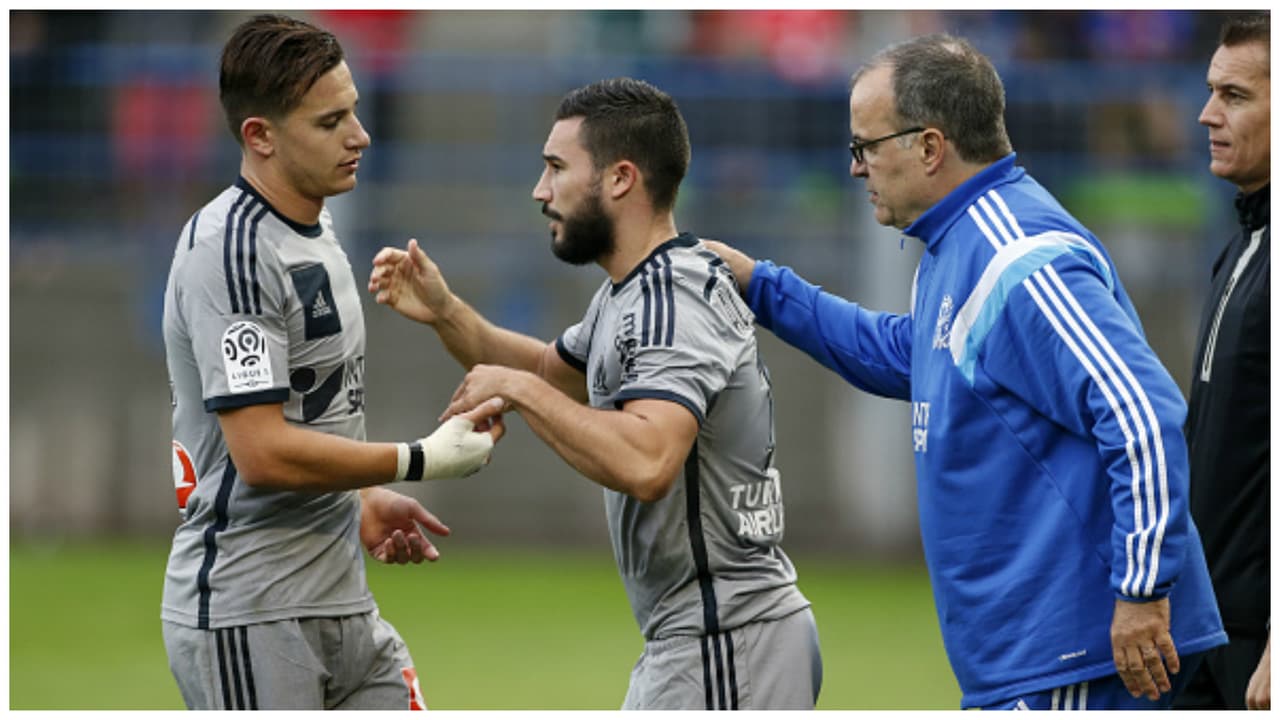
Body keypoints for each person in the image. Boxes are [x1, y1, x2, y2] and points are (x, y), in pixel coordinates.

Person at [702, 33, 1227, 710]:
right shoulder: (959, 241)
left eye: (865, 146)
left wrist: (1142, 590)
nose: (855, 168)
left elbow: (1141, 414)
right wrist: (761, 285)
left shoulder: (1019, 258)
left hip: (1085, 659)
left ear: (929, 147)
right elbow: (908, 354)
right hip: (1040, 663)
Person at [368, 77, 822, 710]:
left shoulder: (669, 299)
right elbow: (548, 371)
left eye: (557, 168)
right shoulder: (633, 292)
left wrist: (519, 390)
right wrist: (447, 312)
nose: (540, 190)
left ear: (620, 179)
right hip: (703, 640)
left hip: (727, 640)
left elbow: (648, 460)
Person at [161, 14, 505, 710]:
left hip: (341, 597)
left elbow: (310, 415)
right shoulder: (232, 252)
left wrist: (361, 498)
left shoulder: (315, 230)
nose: (361, 136)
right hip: (252, 609)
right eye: (331, 122)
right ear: (259, 136)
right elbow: (261, 451)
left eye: (354, 111)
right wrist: (419, 460)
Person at [1174, 13, 1270, 712]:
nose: (1207, 114)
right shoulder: (1240, 245)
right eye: (1211, 91)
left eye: (1234, 96)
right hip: (1206, 629)